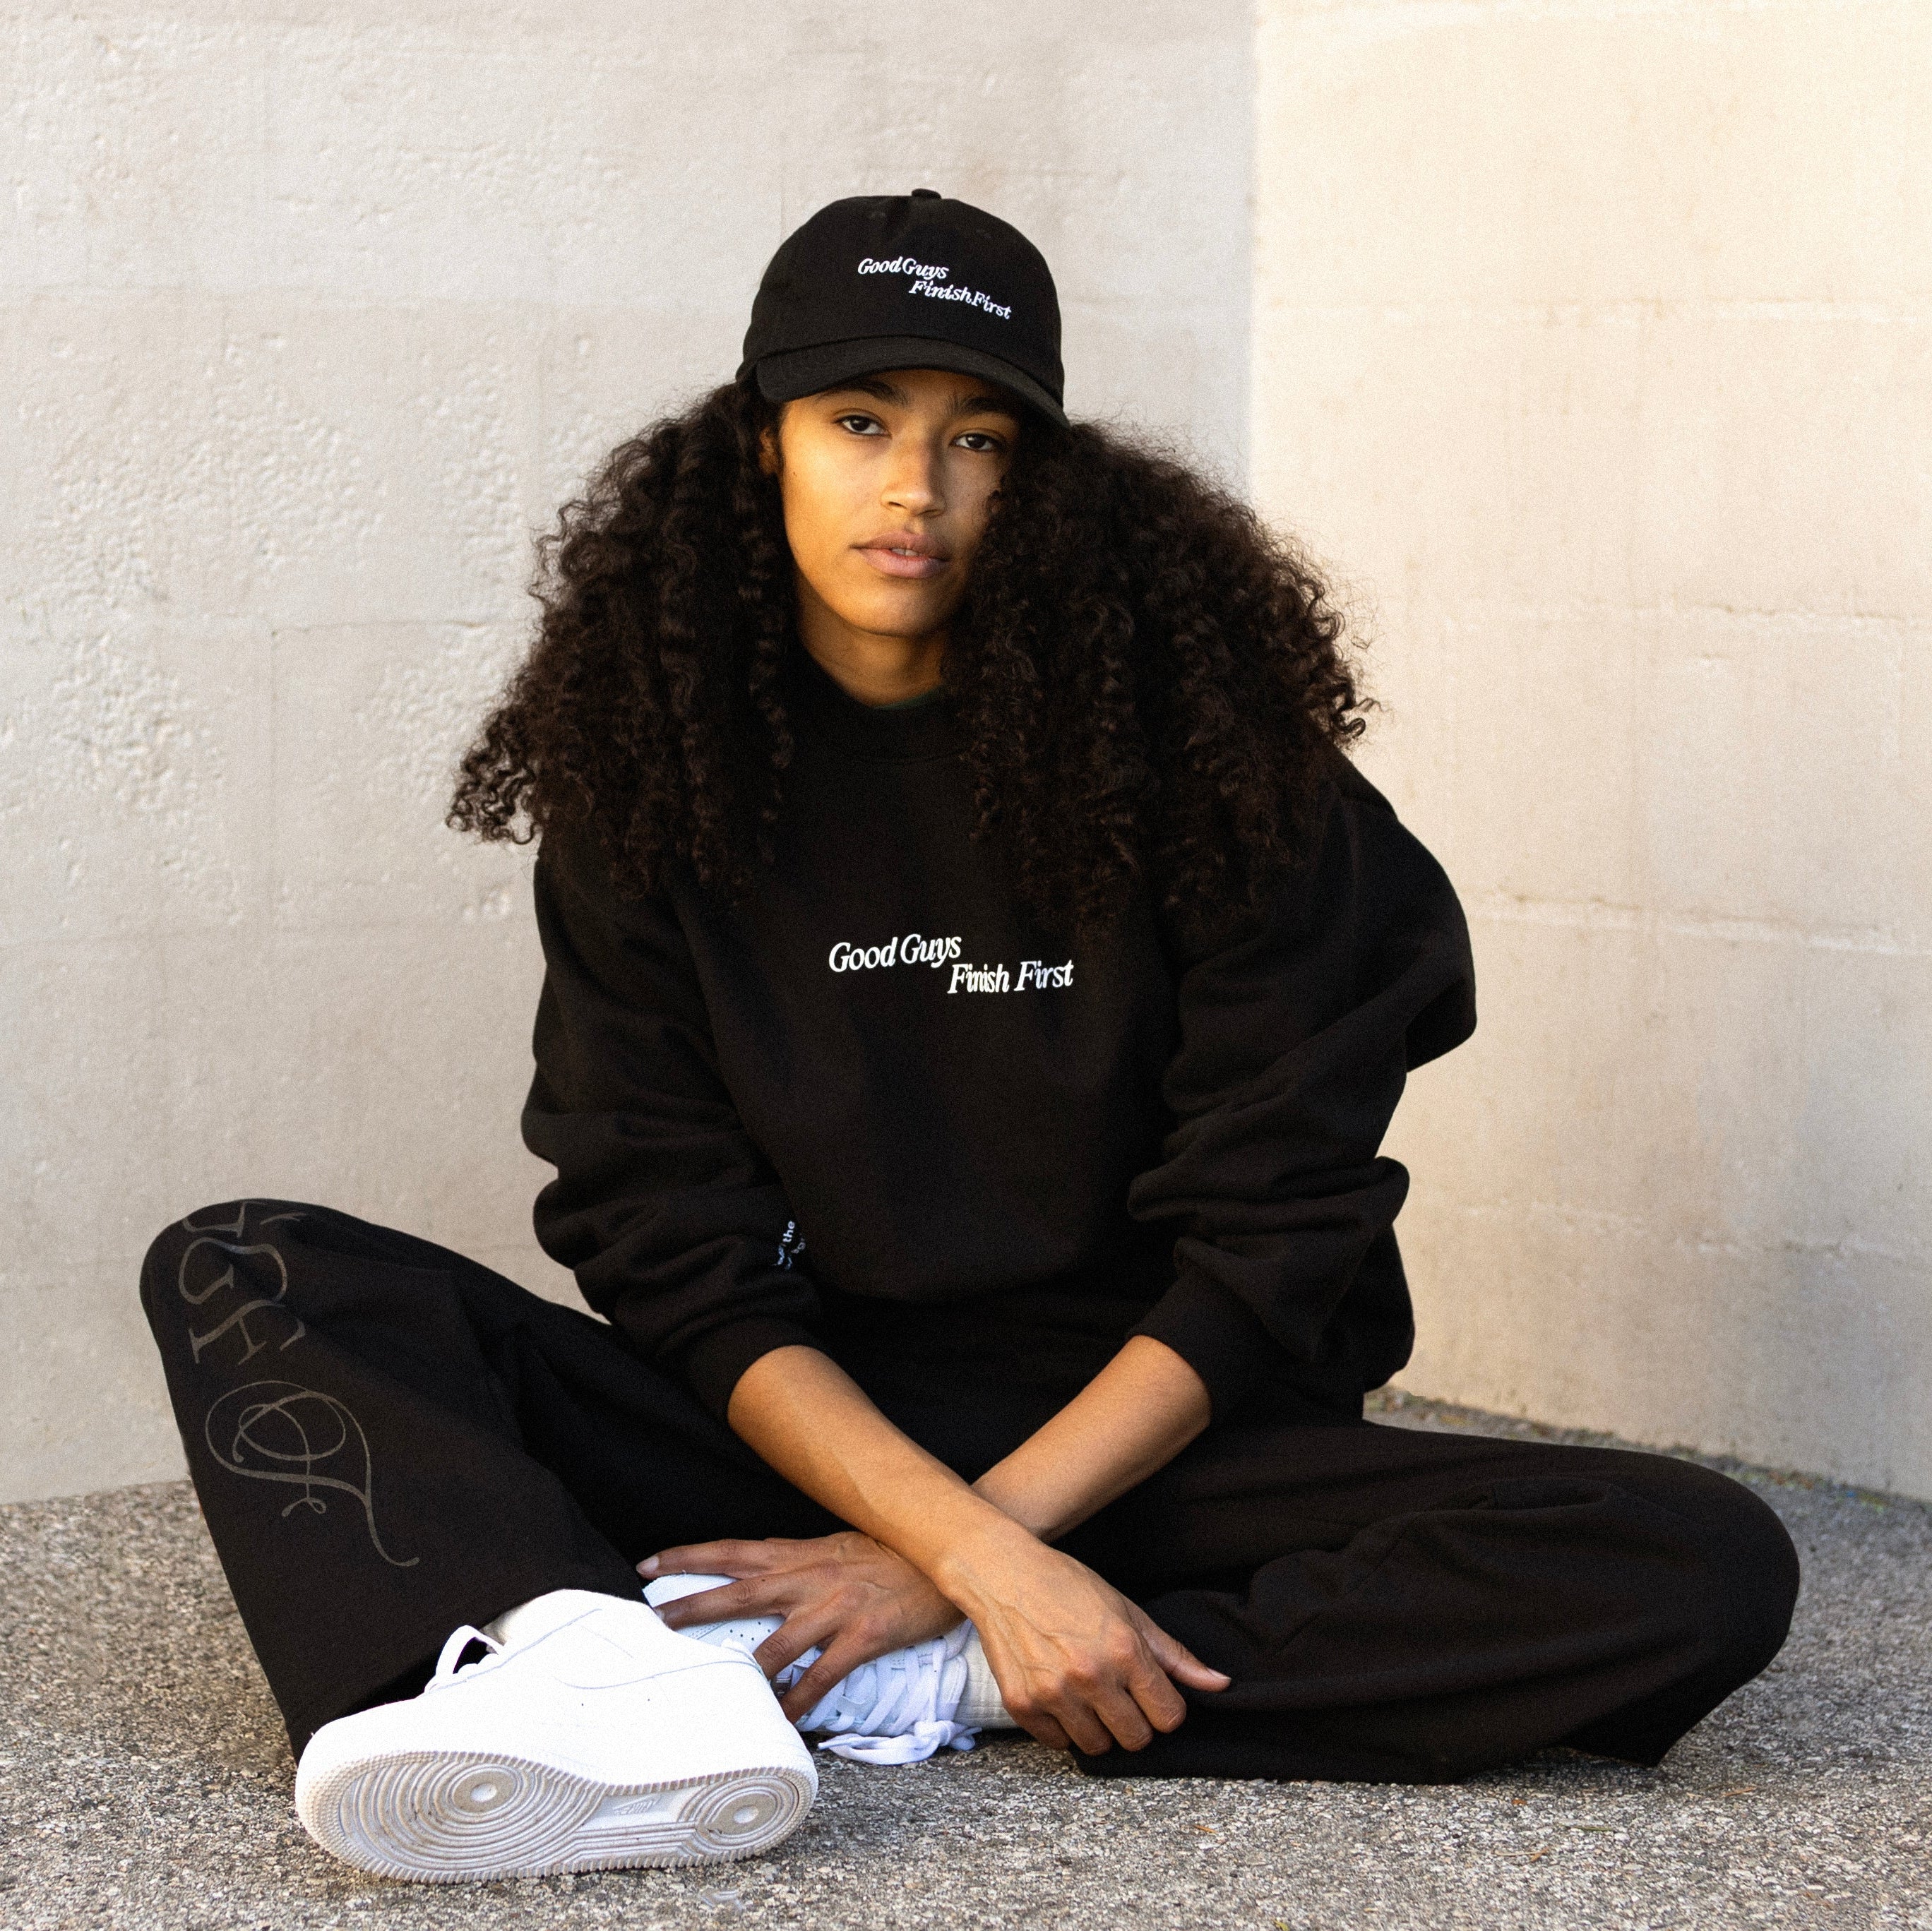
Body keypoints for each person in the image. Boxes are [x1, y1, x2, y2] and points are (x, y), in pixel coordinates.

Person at [140, 190, 1799, 1884]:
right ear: (761, 447)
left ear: (1050, 482)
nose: (914, 490)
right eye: (860, 421)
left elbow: (1267, 1249)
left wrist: (956, 1573)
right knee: (244, 1269)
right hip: (805, 1422)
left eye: (978, 438)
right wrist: (925, 1529)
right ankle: (558, 1682)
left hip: (1160, 1445)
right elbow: (675, 1253)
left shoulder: (1235, 781)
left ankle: (910, 1681)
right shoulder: (654, 785)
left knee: (1699, 1562)